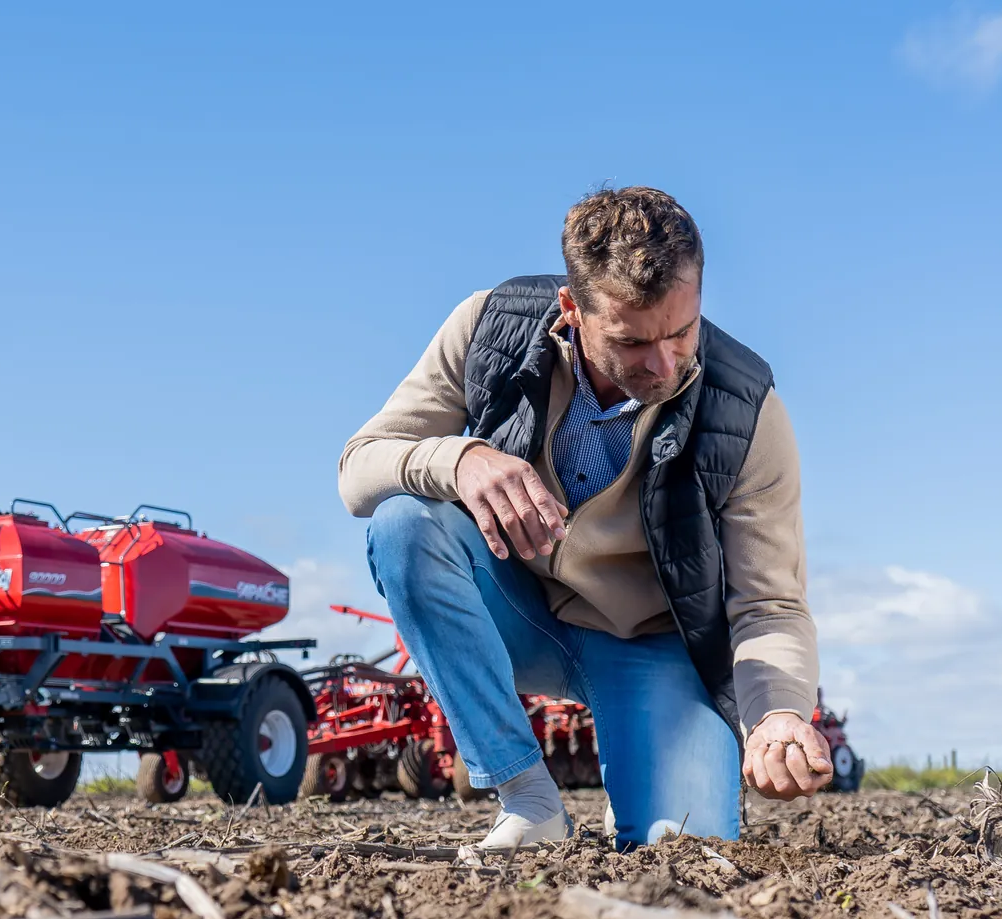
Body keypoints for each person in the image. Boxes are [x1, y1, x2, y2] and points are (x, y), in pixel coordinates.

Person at [340, 186, 827, 851]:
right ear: (571, 310)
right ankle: (530, 800)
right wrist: (462, 460)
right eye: (631, 342)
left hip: (657, 645)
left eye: (681, 332)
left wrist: (776, 711)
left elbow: (768, 603)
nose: (663, 364)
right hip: (522, 612)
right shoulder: (491, 326)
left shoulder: (746, 411)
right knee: (405, 525)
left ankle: (642, 762)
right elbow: (360, 467)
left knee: (683, 846)